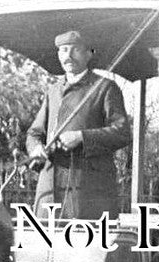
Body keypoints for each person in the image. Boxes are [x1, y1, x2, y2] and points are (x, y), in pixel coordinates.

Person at [25, 30, 131, 219]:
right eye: (64, 50)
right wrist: (36, 148)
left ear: (89, 54)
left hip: (88, 192)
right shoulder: (53, 91)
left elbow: (122, 132)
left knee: (86, 244)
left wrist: (82, 137)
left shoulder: (105, 87)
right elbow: (34, 133)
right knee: (45, 244)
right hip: (49, 188)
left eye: (75, 50)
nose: (68, 56)